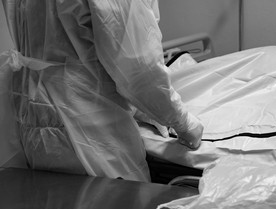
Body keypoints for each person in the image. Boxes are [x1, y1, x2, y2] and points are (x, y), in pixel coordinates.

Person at [0, 0, 203, 182]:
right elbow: (139, 69)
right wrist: (183, 123)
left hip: (34, 113)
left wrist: (145, 109)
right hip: (89, 128)